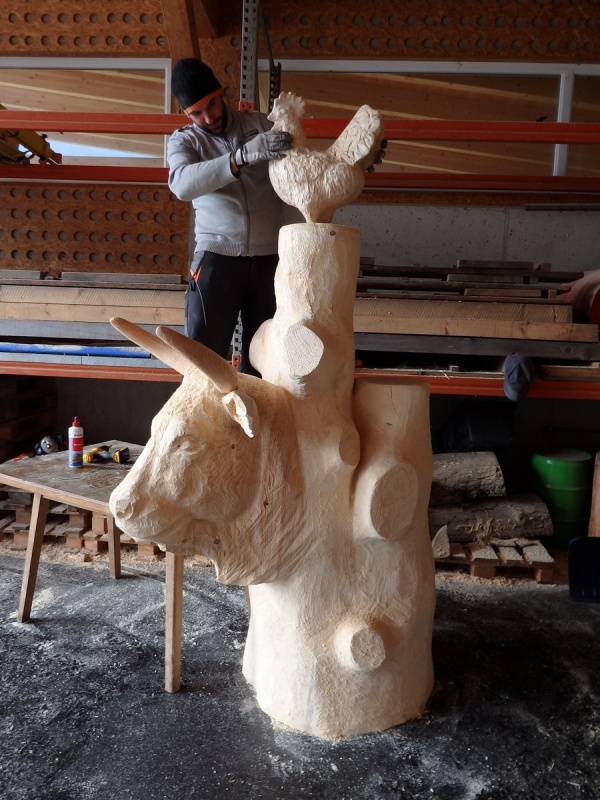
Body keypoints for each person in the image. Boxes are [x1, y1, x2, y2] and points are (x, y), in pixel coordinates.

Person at [167, 57, 295, 376]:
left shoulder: (262, 125)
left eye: (211, 104)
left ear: (221, 92)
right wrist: (239, 157)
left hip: (269, 260)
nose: (208, 117)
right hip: (217, 261)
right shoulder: (185, 140)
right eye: (196, 113)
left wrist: (351, 164)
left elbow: (301, 164)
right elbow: (181, 185)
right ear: (185, 114)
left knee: (265, 366)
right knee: (202, 364)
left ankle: (254, 412)